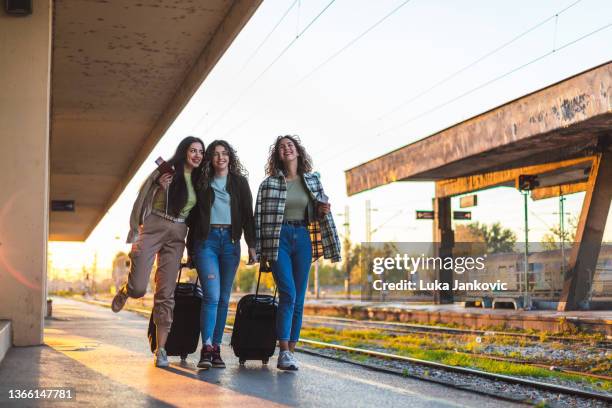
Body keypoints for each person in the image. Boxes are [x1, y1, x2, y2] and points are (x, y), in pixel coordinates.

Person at [112, 136, 204, 368]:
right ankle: (127, 290)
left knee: (166, 293)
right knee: (139, 288)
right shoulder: (166, 172)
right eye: (193, 150)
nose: (197, 155)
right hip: (154, 226)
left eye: (200, 152)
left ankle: (161, 349)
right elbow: (141, 198)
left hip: (177, 234)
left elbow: (198, 215)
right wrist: (135, 228)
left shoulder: (199, 180)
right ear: (184, 151)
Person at [254, 135, 341, 371]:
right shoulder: (268, 184)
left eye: (290, 145)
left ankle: (291, 352)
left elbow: (315, 214)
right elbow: (258, 219)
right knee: (288, 293)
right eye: (282, 147)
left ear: (298, 152)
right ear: (278, 156)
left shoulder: (311, 181)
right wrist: (258, 251)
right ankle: (283, 351)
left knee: (299, 299)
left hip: (302, 236)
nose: (287, 149)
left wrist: (322, 210)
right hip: (278, 238)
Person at [187, 140, 257, 370]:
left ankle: (216, 348)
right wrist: (190, 251)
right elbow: (193, 218)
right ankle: (205, 347)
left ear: (230, 157)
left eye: (224, 153)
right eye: (216, 154)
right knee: (212, 295)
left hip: (231, 243)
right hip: (206, 242)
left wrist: (252, 246)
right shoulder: (201, 181)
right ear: (210, 158)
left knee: (224, 299)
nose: (221, 158)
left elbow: (248, 215)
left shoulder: (239, 182)